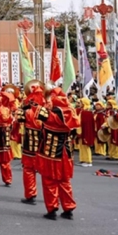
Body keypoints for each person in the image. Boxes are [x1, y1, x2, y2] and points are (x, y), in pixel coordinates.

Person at [36, 87, 80, 220]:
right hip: (66, 152)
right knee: (64, 181)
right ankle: (68, 208)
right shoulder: (72, 114)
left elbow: (36, 113)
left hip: (51, 153)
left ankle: (52, 208)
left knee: (49, 181)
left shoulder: (50, 115)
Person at [76, 98, 96, 167]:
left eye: (81, 103)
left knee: (86, 146)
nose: (80, 104)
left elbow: (86, 124)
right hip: (81, 130)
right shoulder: (82, 111)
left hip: (85, 131)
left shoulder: (87, 112)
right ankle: (83, 160)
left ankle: (88, 161)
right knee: (82, 146)